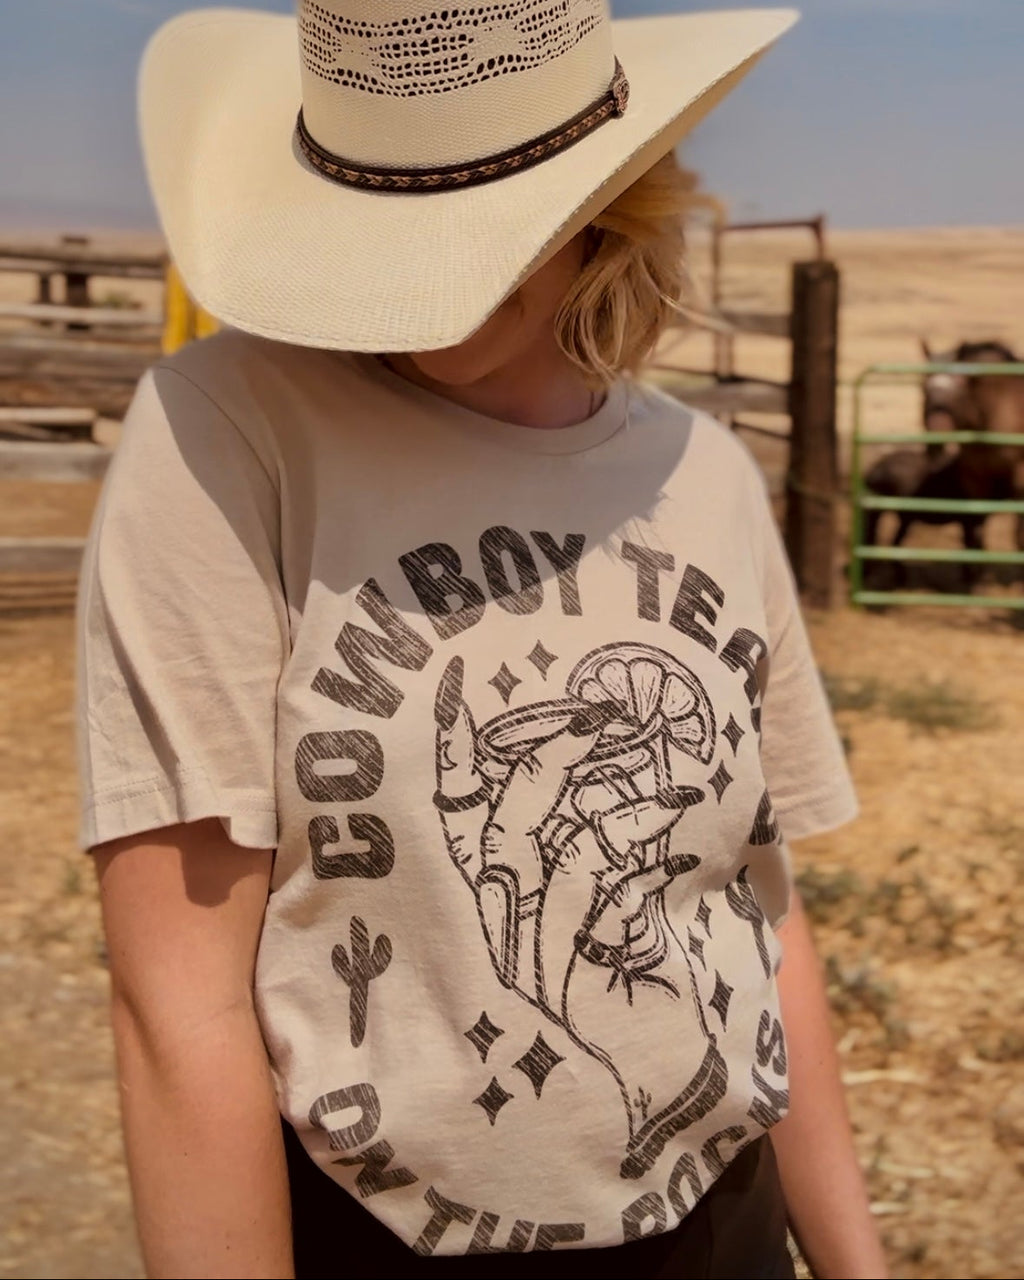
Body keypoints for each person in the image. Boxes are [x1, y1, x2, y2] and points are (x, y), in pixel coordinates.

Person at [76, 3, 888, 1277]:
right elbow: (178, 1002)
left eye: (476, 223)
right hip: (389, 1233)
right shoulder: (227, 433)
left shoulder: (705, 474)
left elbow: (758, 916)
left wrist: (853, 1261)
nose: (421, 286)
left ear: (611, 198)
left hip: (723, 1214)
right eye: (385, 219)